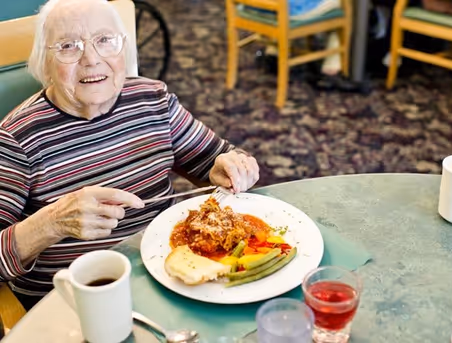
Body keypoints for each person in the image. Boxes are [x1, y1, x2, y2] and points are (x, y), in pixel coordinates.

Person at [0, 0, 259, 310]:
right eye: (69, 46)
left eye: (104, 40)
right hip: (73, 304)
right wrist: (51, 224)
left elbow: (218, 157)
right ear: (44, 63)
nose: (92, 59)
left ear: (123, 49)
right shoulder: (14, 139)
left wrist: (232, 165)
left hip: (169, 280)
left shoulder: (152, 98)